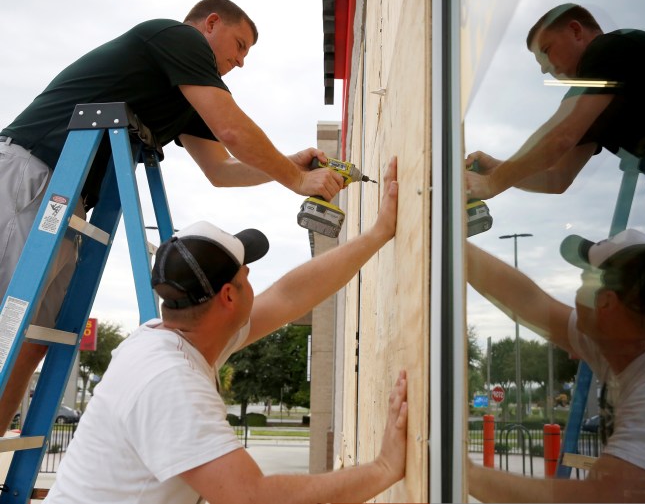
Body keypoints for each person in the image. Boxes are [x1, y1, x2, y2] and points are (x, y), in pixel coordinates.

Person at [0, 0, 345, 434]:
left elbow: (220, 170)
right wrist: (296, 183)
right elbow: (233, 130)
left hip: (69, 202)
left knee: (33, 344)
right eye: (239, 45)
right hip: (31, 174)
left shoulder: (182, 95)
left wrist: (288, 164)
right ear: (211, 24)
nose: (240, 62)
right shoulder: (176, 37)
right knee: (6, 327)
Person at [44, 157, 406, 504]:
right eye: (244, 272)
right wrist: (385, 468)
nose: (251, 276)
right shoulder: (169, 380)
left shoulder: (171, 338)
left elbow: (289, 295)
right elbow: (252, 497)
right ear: (229, 296)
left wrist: (378, 234)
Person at [466, 229, 645, 502]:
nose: (578, 288)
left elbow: (599, 499)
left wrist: (467, 476)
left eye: (584, 279)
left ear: (605, 303)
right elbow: (527, 301)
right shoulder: (621, 343)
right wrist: (454, 246)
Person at [465, 3, 645, 198]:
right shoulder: (600, 97)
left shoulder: (610, 49)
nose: (545, 67)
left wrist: (493, 183)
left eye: (546, 51)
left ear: (576, 31)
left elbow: (561, 137)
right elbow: (557, 177)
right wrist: (498, 168)